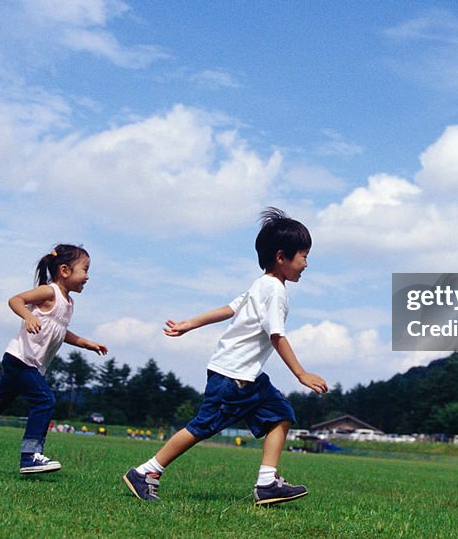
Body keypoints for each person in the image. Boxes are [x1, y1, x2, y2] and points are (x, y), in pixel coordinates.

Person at [124, 208, 328, 505]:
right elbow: (277, 335)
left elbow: (229, 309)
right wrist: (301, 374)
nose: (306, 264)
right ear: (281, 257)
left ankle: (267, 483)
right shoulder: (274, 291)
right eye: (303, 256)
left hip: (248, 378)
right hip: (233, 377)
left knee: (282, 415)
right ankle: (146, 472)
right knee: (201, 427)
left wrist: (189, 323)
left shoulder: (261, 285)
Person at [0, 244, 107, 475]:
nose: (88, 276)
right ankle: (30, 456)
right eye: (85, 270)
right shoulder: (49, 292)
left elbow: (58, 330)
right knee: (45, 400)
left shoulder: (68, 303)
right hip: (20, 359)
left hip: (29, 364)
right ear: (65, 270)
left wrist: (86, 343)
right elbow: (15, 300)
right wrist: (27, 316)